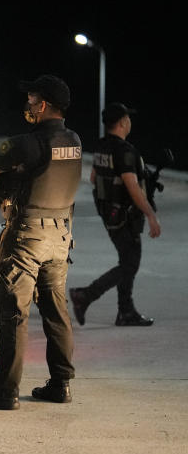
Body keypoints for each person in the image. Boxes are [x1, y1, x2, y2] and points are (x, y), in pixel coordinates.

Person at [0, 75, 81, 410]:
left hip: (26, 238)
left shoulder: (25, 143)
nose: (28, 106)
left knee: (14, 313)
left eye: (31, 100)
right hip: (60, 237)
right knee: (55, 312)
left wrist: (5, 174)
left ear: (43, 104)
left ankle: (5, 392)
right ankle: (60, 385)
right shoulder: (74, 140)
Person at [69, 103, 161, 327]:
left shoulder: (101, 147)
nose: (130, 121)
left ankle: (125, 311)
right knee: (130, 264)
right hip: (125, 216)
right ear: (122, 122)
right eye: (128, 118)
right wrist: (150, 214)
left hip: (109, 214)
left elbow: (93, 178)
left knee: (128, 261)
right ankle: (86, 295)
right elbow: (132, 187)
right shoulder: (125, 151)